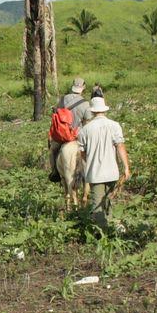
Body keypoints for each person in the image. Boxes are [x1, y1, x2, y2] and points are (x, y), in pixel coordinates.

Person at [77, 96, 130, 231]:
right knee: (109, 201)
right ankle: (112, 229)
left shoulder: (85, 130)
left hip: (95, 173)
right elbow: (120, 147)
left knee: (97, 206)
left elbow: (82, 153)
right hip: (112, 171)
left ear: (93, 111)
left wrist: (89, 162)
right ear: (104, 110)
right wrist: (126, 167)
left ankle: (103, 234)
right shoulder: (114, 125)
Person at [48, 78, 93, 181]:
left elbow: (56, 116)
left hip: (63, 136)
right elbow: (87, 123)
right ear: (83, 87)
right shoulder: (86, 104)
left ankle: (55, 172)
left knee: (53, 150)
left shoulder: (62, 99)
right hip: (78, 136)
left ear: (73, 86)